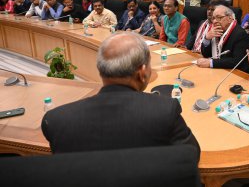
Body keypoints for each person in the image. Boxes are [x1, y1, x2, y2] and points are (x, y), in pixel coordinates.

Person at [41, 32, 200, 155]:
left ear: (100, 70)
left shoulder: (56, 120)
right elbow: (191, 155)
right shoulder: (165, 111)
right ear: (142, 73)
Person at [196, 5, 249, 72]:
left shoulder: (240, 34)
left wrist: (211, 63)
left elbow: (237, 61)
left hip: (235, 74)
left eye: (219, 18)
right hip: (218, 70)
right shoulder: (217, 31)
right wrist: (207, 39)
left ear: (230, 18)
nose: (215, 21)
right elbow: (206, 54)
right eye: (213, 18)